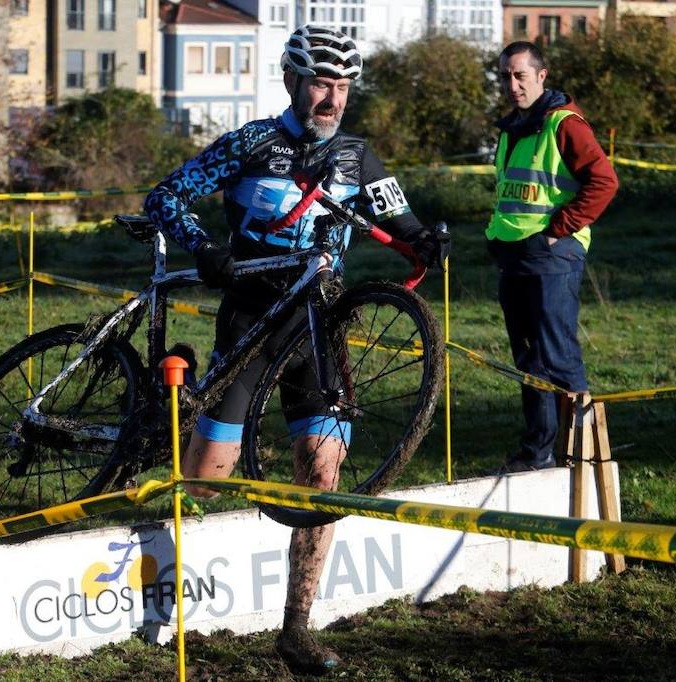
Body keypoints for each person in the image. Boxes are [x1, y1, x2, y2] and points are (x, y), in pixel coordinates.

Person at [144, 25, 440, 675]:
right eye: (319, 84)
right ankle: (182, 396)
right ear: (292, 82)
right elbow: (165, 197)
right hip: (252, 315)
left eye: (341, 86)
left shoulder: (360, 158)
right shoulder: (252, 142)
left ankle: (296, 628)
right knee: (206, 480)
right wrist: (204, 249)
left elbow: (404, 221)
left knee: (323, 476)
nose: (331, 98)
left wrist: (430, 239)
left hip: (319, 327)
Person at [486, 41, 619, 473]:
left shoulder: (564, 124)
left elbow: (604, 182)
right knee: (529, 361)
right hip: (515, 256)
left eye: (520, 75)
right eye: (505, 75)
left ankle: (583, 460)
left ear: (542, 76)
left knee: (558, 356)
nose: (512, 84)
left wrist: (559, 231)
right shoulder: (512, 128)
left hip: (552, 255)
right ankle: (536, 453)